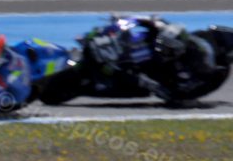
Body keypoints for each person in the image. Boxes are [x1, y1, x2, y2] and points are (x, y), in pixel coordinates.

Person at [84, 15, 216, 101]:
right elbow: (142, 20)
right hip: (128, 48)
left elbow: (171, 93)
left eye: (168, 51)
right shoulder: (159, 28)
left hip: (137, 72)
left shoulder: (173, 66)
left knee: (134, 84)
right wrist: (122, 20)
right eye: (164, 47)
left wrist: (153, 85)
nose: (164, 51)